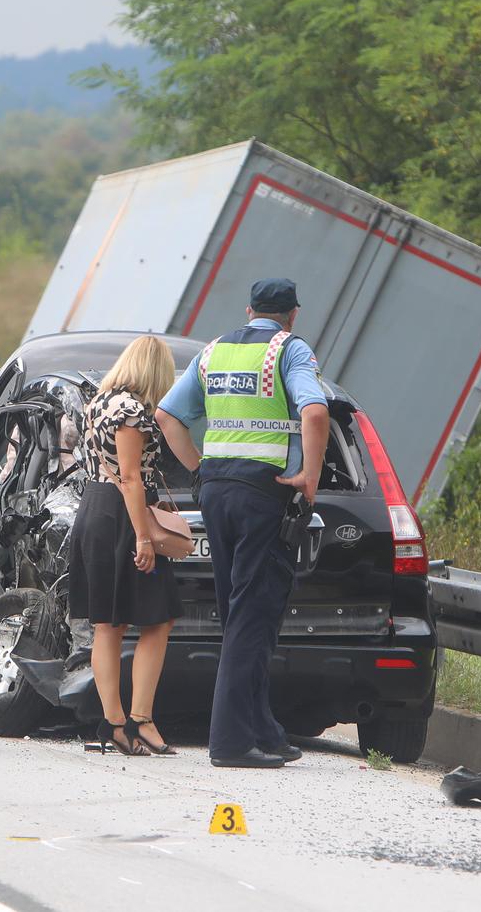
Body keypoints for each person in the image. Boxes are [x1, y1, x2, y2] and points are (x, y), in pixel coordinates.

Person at [155, 278, 329, 768]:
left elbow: (168, 415)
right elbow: (315, 411)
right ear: (292, 314)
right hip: (262, 492)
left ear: (250, 309)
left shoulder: (214, 351)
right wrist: (309, 476)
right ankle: (230, 743)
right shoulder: (289, 350)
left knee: (242, 615)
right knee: (254, 614)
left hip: (216, 491)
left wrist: (198, 469)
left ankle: (263, 729)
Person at [69, 335, 184, 756]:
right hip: (124, 514)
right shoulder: (133, 410)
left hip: (94, 509)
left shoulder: (97, 402)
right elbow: (132, 477)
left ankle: (115, 723)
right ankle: (141, 719)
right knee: (159, 620)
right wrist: (142, 536)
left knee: (108, 623)